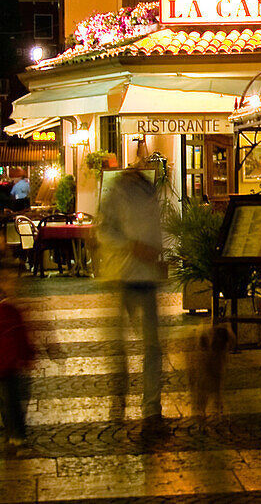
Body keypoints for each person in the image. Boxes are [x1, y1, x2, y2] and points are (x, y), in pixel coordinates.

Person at [96, 167, 166, 428]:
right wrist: (131, 247)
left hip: (146, 278)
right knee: (119, 346)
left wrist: (156, 253)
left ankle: (151, 406)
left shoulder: (151, 191)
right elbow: (103, 231)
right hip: (122, 276)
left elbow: (155, 233)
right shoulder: (117, 192)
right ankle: (120, 398)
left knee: (151, 346)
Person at [0, 261, 35, 454]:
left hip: (14, 364)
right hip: (3, 366)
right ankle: (16, 435)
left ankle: (13, 431)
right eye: (7, 281)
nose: (12, 284)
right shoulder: (0, 311)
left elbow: (23, 335)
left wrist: (28, 354)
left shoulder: (14, 309)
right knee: (9, 401)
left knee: (13, 399)